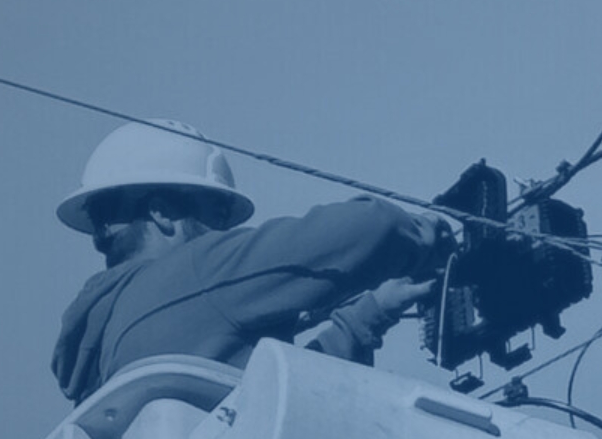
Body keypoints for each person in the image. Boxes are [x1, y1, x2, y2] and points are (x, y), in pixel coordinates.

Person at [50, 119, 450, 403]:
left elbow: (272, 410)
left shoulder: (105, 344)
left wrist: (370, 314)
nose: (225, 232)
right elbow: (371, 226)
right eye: (219, 213)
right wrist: (428, 234)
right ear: (162, 213)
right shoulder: (193, 273)